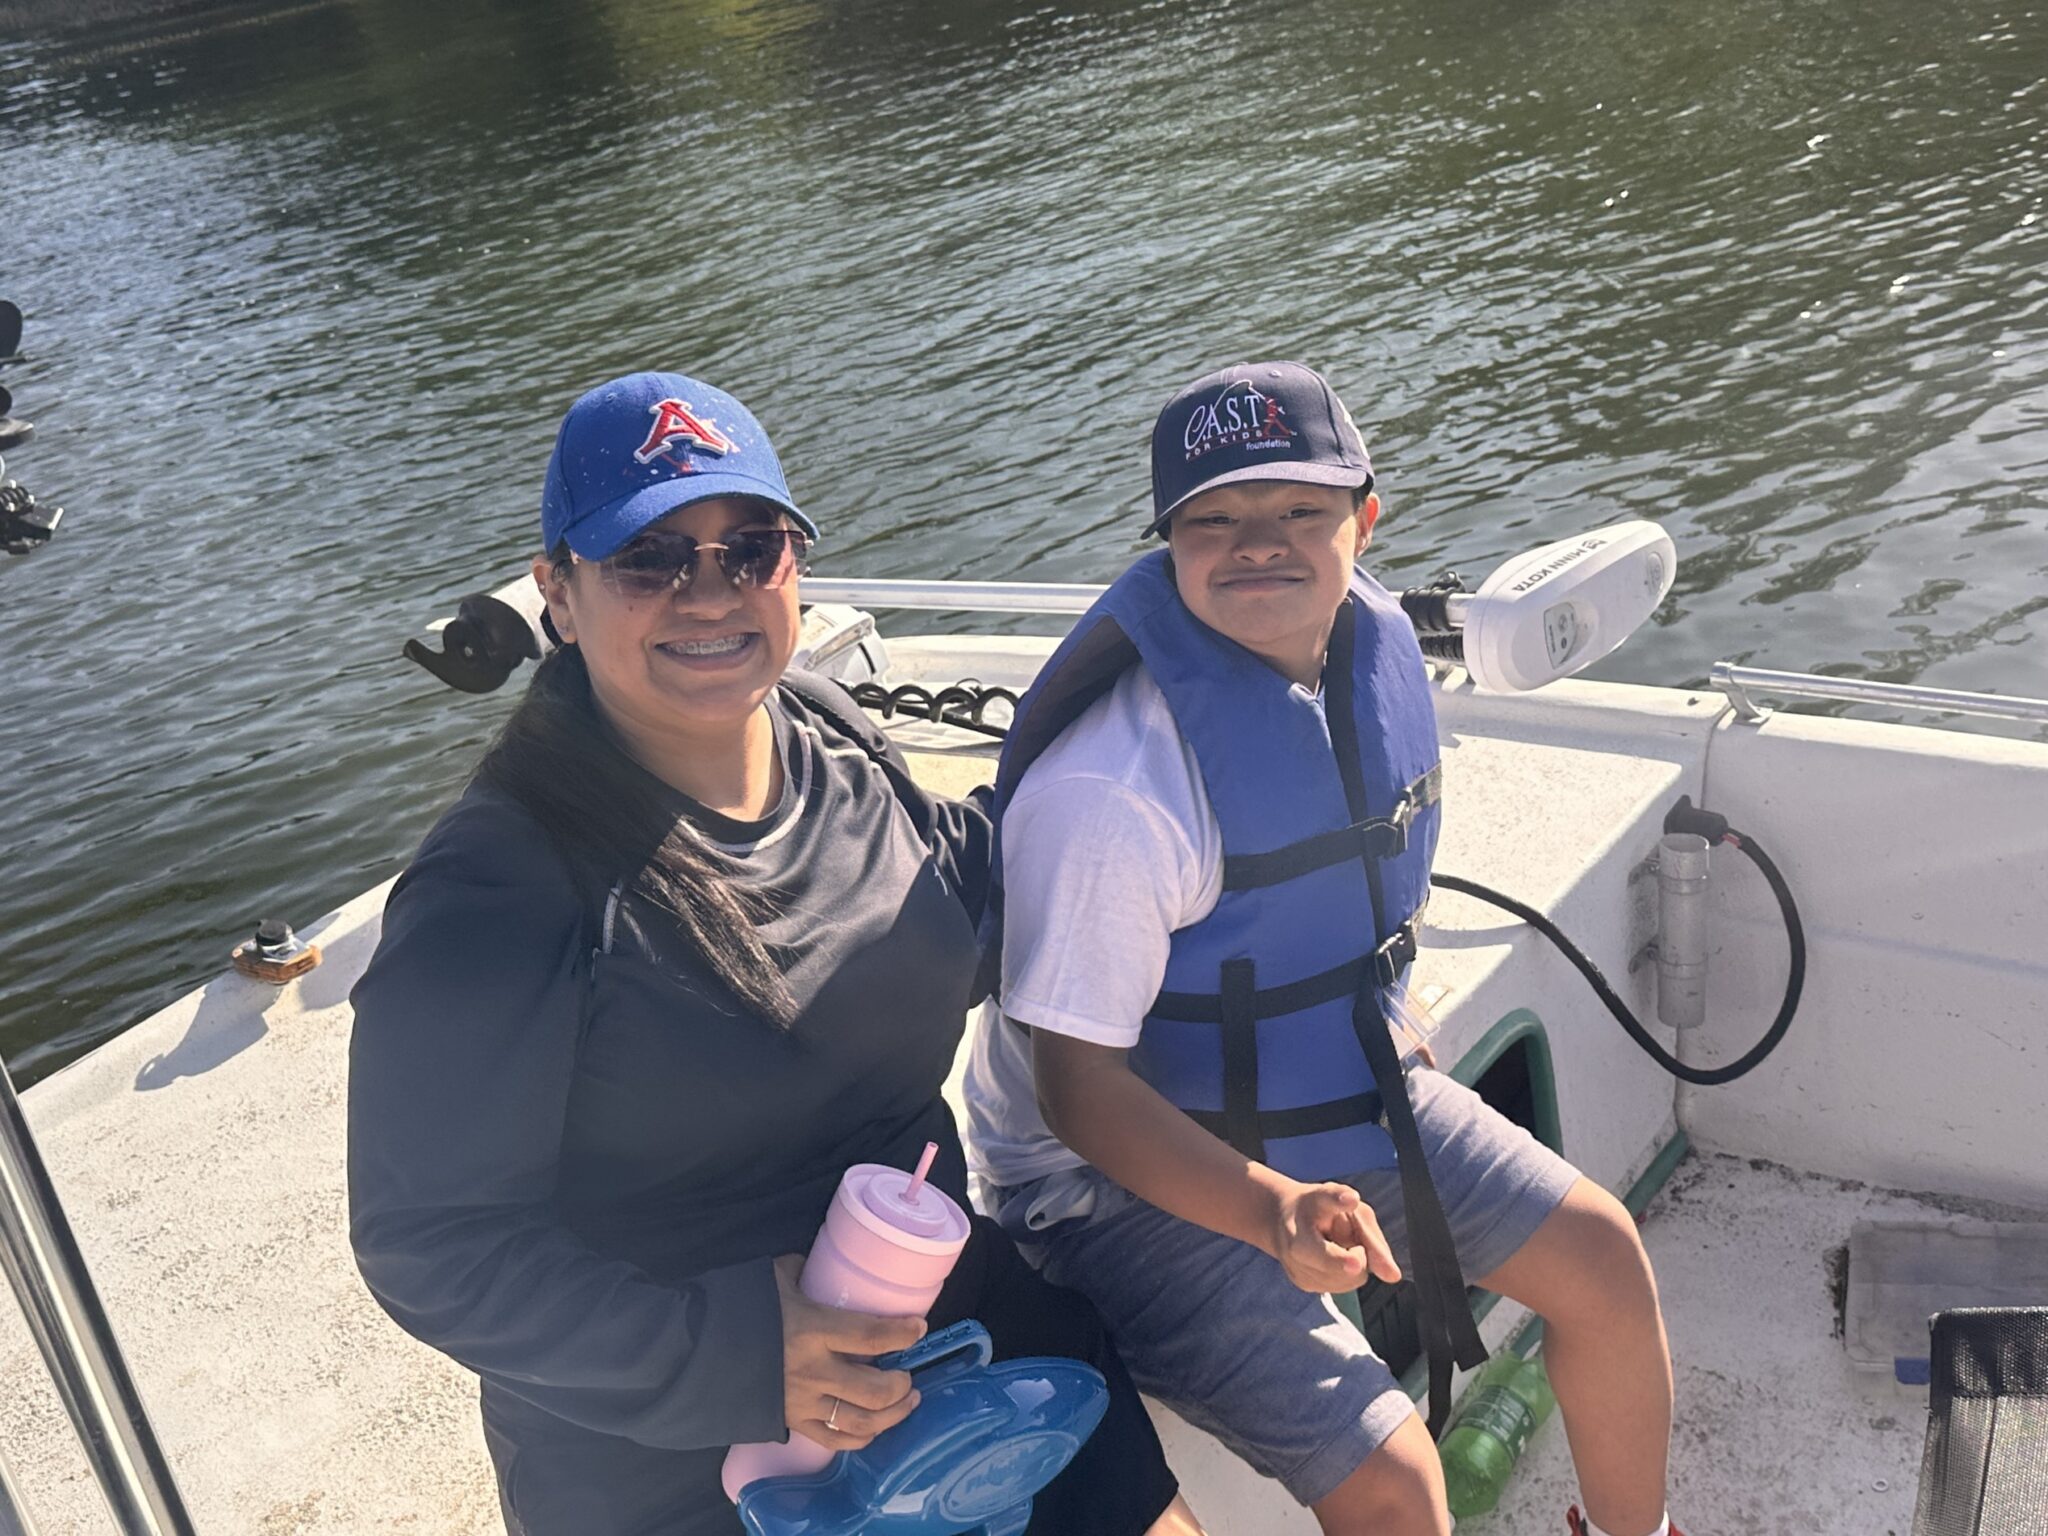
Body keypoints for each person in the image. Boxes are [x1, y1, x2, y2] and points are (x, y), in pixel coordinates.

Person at [347, 371, 1200, 1536]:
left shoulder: (830, 733)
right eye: (648, 559)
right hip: (686, 1451)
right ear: (557, 592)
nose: (709, 595)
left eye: (748, 549)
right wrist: (745, 1354)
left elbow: (984, 906)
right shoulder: (497, 888)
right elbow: (433, 1246)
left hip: (953, 1337)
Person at [963, 362, 1679, 1536]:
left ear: (1365, 517)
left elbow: (1341, 891)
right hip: (1100, 1182)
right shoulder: (1114, 791)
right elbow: (1076, 1093)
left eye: (1297, 510)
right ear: (1165, 544)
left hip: (1327, 1085)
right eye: (1212, 521)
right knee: (1397, 1485)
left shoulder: (1368, 660)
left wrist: (1382, 1012)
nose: (1257, 545)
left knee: (1600, 1259)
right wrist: (1269, 1215)